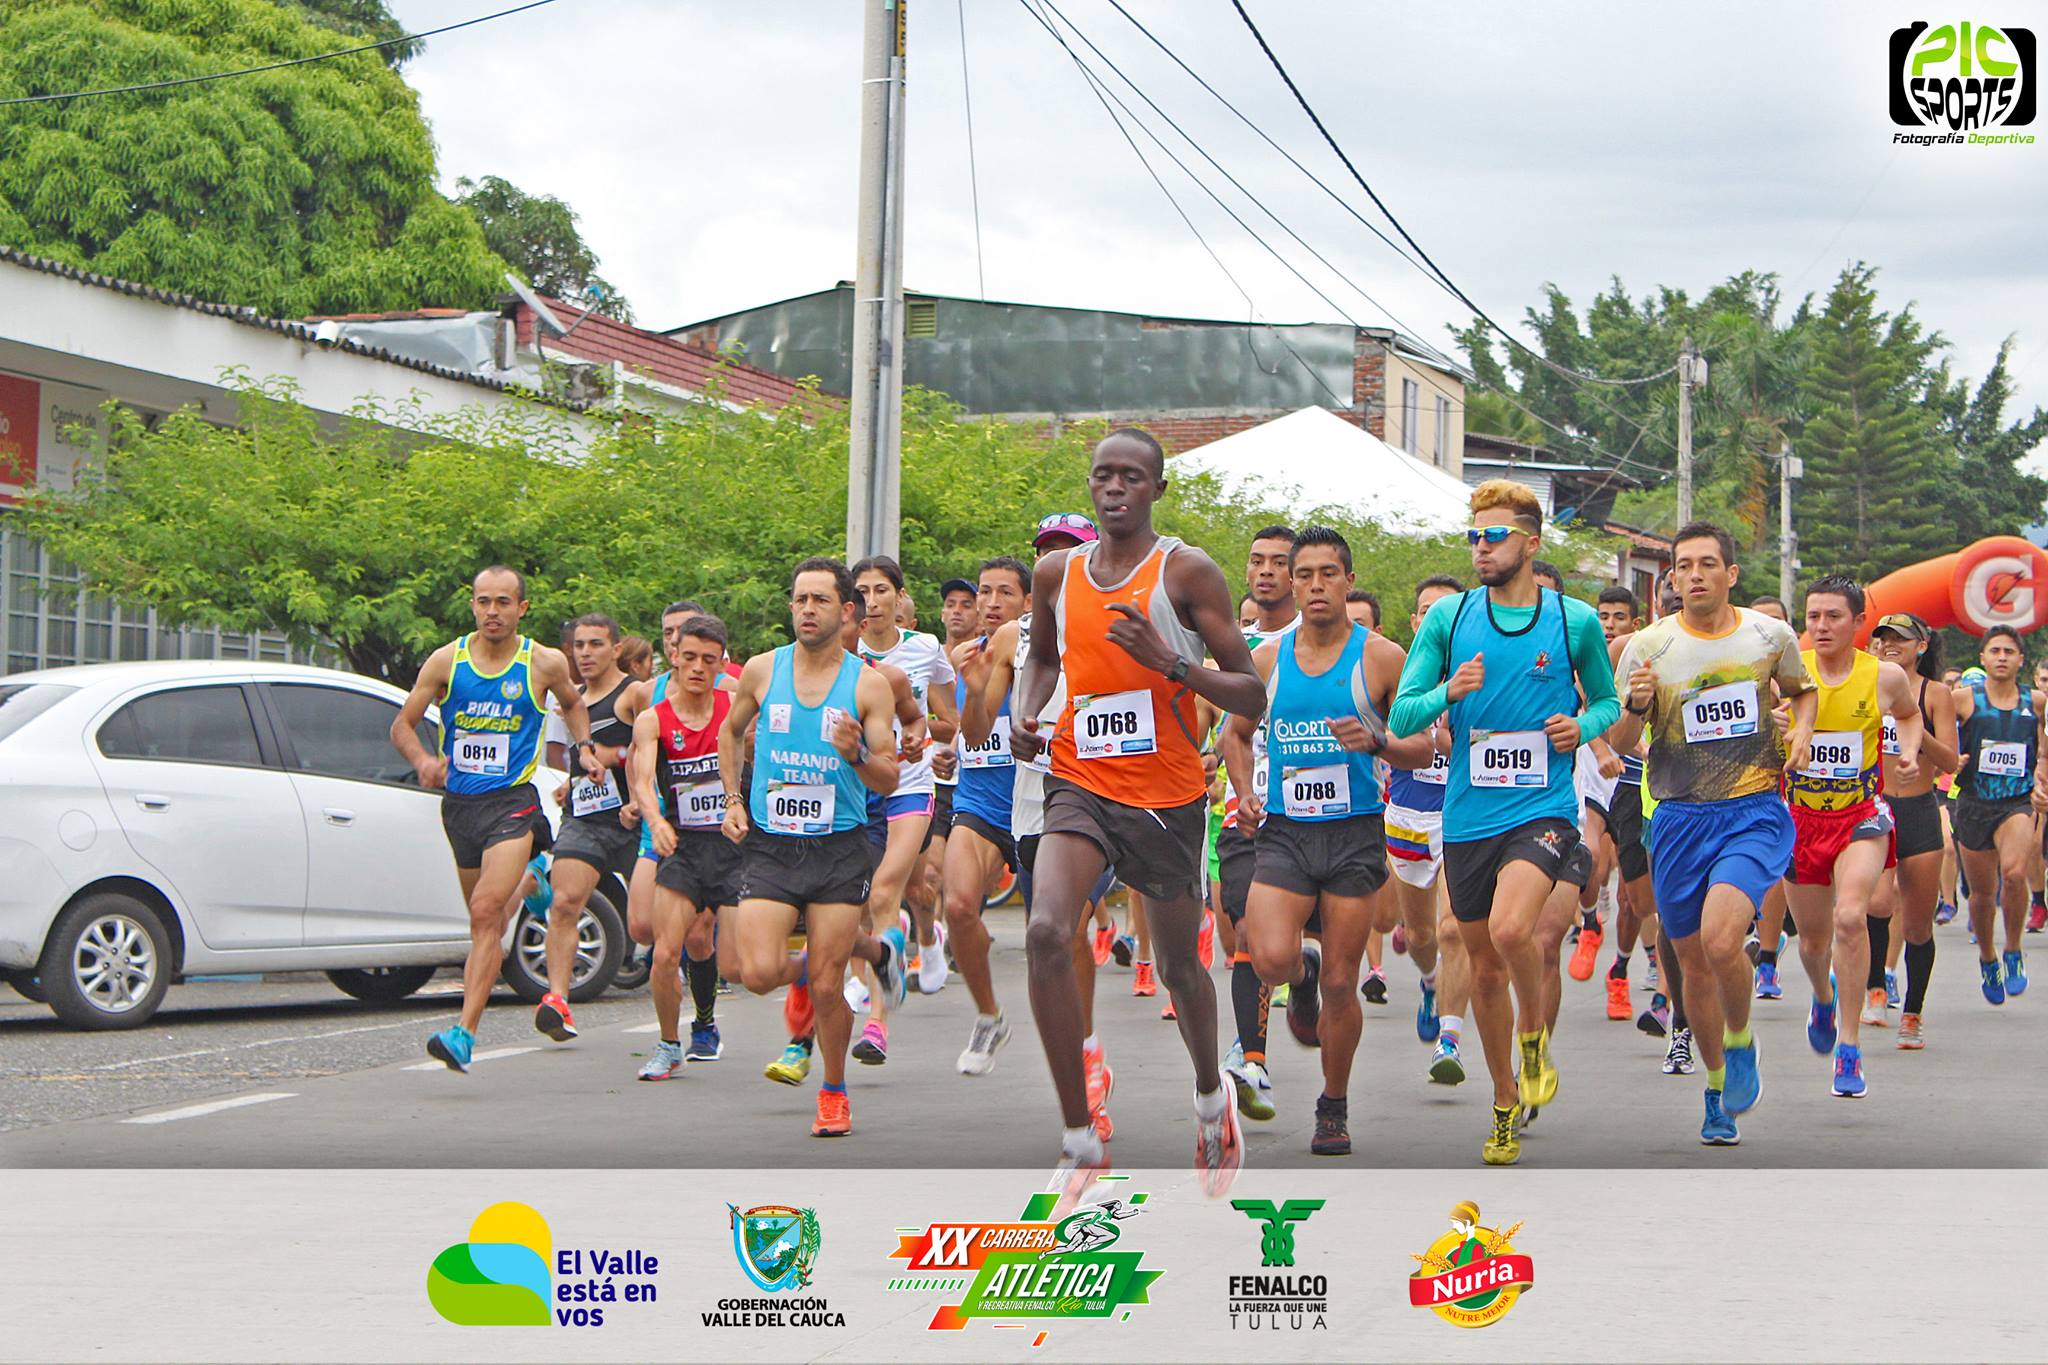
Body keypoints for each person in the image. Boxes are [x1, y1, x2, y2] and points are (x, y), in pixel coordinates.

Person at [1013, 428, 1267, 1194]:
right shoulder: (1056, 572)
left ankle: (1206, 1095)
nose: (1113, 486)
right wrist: (1026, 710)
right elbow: (1045, 658)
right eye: (1102, 475)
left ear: (1156, 489)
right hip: (1079, 777)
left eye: (1130, 476)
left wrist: (1173, 665)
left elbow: (1251, 691)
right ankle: (1079, 1139)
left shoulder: (1185, 571)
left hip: (1165, 793)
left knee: (1181, 966)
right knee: (1047, 930)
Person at [1390, 481, 1619, 1165]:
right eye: (1474, 536)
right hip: (1467, 818)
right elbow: (1401, 715)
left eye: (1494, 536)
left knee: (1512, 928)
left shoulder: (1572, 620)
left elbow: (1606, 704)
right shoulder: (1450, 620)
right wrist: (1447, 692)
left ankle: (1534, 1038)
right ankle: (1502, 1101)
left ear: (1530, 542)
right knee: (1484, 971)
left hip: (1541, 810)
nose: (1481, 548)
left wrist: (1580, 726)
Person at [1224, 526, 1433, 1155]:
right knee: (1267, 958)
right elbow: (1233, 735)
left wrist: (1378, 743)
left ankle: (1332, 1105)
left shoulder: (1384, 658)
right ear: (1291, 583)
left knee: (1345, 981)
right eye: (1304, 574)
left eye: (1327, 574)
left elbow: (1423, 747)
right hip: (1286, 831)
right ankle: (1299, 976)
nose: (1315, 585)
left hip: (1354, 834)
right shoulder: (1266, 659)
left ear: (1347, 580)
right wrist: (1245, 792)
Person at [1609, 523, 1816, 1145]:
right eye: (1682, 566)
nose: (1693, 574)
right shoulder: (1646, 647)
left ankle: (1741, 1036)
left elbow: (1802, 694)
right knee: (1692, 965)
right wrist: (1636, 706)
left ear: (1731, 574)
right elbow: (1620, 748)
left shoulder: (1768, 636)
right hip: (1677, 818)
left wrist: (1800, 732)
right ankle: (1718, 1082)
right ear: (1670, 578)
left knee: (1724, 938)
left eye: (1706, 564)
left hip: (1752, 809)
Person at [720, 557, 909, 1138]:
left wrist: (856, 754)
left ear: (846, 610)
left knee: (827, 984)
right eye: (799, 599)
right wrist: (732, 798)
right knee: (754, 972)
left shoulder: (867, 685)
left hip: (837, 846)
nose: (807, 610)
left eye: (820, 600)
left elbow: (889, 778)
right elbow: (731, 732)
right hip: (773, 845)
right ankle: (874, 952)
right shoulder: (761, 670)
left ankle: (832, 1090)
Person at [390, 567, 607, 1072]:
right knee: (483, 917)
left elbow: (574, 705)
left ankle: (464, 1035)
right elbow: (402, 723)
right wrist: (423, 761)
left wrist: (585, 748)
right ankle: (534, 881)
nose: (493, 611)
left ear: (521, 608)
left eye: (504, 602)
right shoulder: (448, 660)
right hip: (460, 808)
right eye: (484, 602)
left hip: (512, 801)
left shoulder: (543, 662)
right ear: (472, 606)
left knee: (487, 912)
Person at [1780, 577, 1924, 1098]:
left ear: (1858, 622)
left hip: (1859, 814)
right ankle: (1822, 996)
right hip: (1798, 819)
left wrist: (1908, 753)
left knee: (1849, 916)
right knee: (1814, 939)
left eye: (1833, 616)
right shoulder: (1787, 672)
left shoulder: (1883, 676)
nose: (1820, 626)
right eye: (1813, 616)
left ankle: (1849, 1045)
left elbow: (1909, 716)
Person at [851, 555, 959, 1056]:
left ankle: (877, 1024)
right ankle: (928, 935)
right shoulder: (841, 655)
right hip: (858, 789)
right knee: (912, 888)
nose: (871, 602)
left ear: (899, 596)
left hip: (911, 784)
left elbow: (947, 719)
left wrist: (922, 737)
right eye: (863, 592)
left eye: (880, 591)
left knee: (885, 892)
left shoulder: (925, 648)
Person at [627, 613, 741, 1077]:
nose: (696, 667)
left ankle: (710, 1019)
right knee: (664, 951)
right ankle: (669, 1043)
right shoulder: (654, 719)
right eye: (688, 657)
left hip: (732, 845)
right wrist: (654, 820)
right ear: (673, 655)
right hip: (683, 847)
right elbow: (641, 777)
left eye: (707, 660)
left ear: (721, 663)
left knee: (738, 967)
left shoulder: (734, 703)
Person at [1213, 525, 1298, 1123]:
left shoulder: (1324, 639)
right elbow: (1221, 728)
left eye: (1278, 563)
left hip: (1322, 818)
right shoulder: (1231, 646)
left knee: (1283, 951)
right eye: (1256, 561)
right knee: (1244, 932)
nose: (1265, 571)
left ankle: (1304, 971)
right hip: (1248, 813)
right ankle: (1254, 1060)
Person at [536, 613, 645, 1043]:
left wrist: (632, 788)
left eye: (595, 644)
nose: (585, 653)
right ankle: (558, 1000)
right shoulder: (571, 699)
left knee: (652, 924)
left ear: (616, 649)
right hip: (585, 818)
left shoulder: (632, 693)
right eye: (578, 645)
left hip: (634, 819)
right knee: (564, 904)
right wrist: (569, 782)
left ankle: (689, 1005)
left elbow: (649, 747)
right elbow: (572, 758)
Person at [944, 556, 1033, 1073]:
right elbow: (959, 727)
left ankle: (1080, 1047)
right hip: (977, 801)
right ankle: (987, 1015)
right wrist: (935, 742)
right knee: (957, 906)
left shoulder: (1043, 655)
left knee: (1052, 937)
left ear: (1027, 603)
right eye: (985, 592)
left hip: (1033, 804)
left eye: (1005, 593)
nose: (992, 603)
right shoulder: (961, 656)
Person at [1384, 575, 1468, 1084]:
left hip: (1461, 817)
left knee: (1452, 928)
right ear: (1416, 621)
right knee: (1420, 936)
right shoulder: (1398, 673)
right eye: (1423, 609)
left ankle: (1450, 1040)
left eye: (1443, 608)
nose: (1430, 616)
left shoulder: (1476, 673)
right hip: (1408, 818)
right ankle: (1432, 982)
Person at [1868, 613, 1957, 1048]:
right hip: (1876, 807)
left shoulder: (1936, 693)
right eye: (1882, 638)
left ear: (1921, 645)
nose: (1889, 645)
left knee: (1919, 926)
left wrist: (1915, 730)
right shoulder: (1867, 685)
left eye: (1899, 639)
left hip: (1920, 809)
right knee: (1879, 901)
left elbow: (1951, 762)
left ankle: (1913, 1013)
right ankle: (1875, 988)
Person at [1954, 625, 2040, 1003]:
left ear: (2021, 659)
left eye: (2009, 651)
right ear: (1983, 658)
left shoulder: (2036, 702)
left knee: (2015, 873)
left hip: (2017, 802)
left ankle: (2014, 950)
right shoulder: (1963, 699)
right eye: (1995, 651)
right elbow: (1928, 723)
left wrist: (2042, 778)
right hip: (1973, 802)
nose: (2002, 657)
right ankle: (1988, 956)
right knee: (1982, 893)